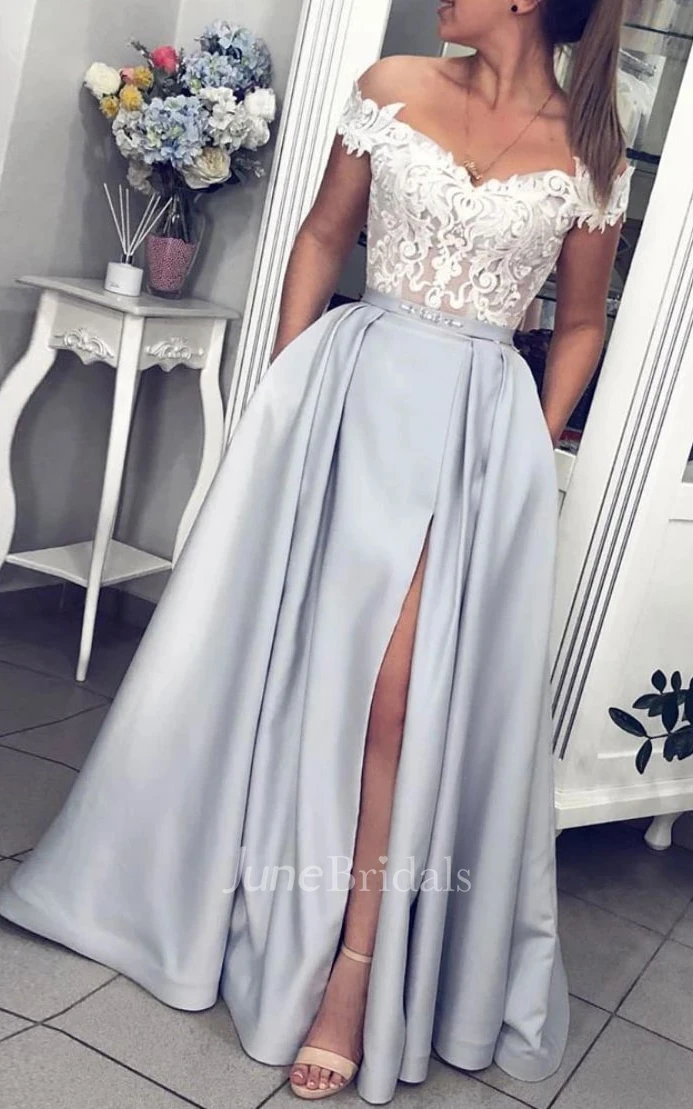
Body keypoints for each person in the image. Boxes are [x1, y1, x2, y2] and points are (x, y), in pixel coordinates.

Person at [0, 0, 632, 1103]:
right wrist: (283, 394)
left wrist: (527, 445)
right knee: (286, 659)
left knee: (397, 700)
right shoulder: (392, 87)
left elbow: (581, 320)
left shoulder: (591, 156)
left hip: (475, 437)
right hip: (348, 399)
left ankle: (354, 968)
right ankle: (217, 886)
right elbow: (321, 236)